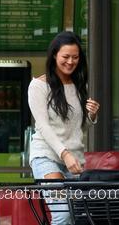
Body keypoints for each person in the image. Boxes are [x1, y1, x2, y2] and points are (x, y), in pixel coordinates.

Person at [28, 31, 100, 225]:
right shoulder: (38, 86)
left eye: (75, 57)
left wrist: (92, 115)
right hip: (47, 157)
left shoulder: (79, 85)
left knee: (77, 216)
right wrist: (65, 154)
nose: (70, 62)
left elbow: (78, 127)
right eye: (65, 57)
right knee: (63, 212)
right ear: (54, 56)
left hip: (74, 160)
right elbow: (42, 126)